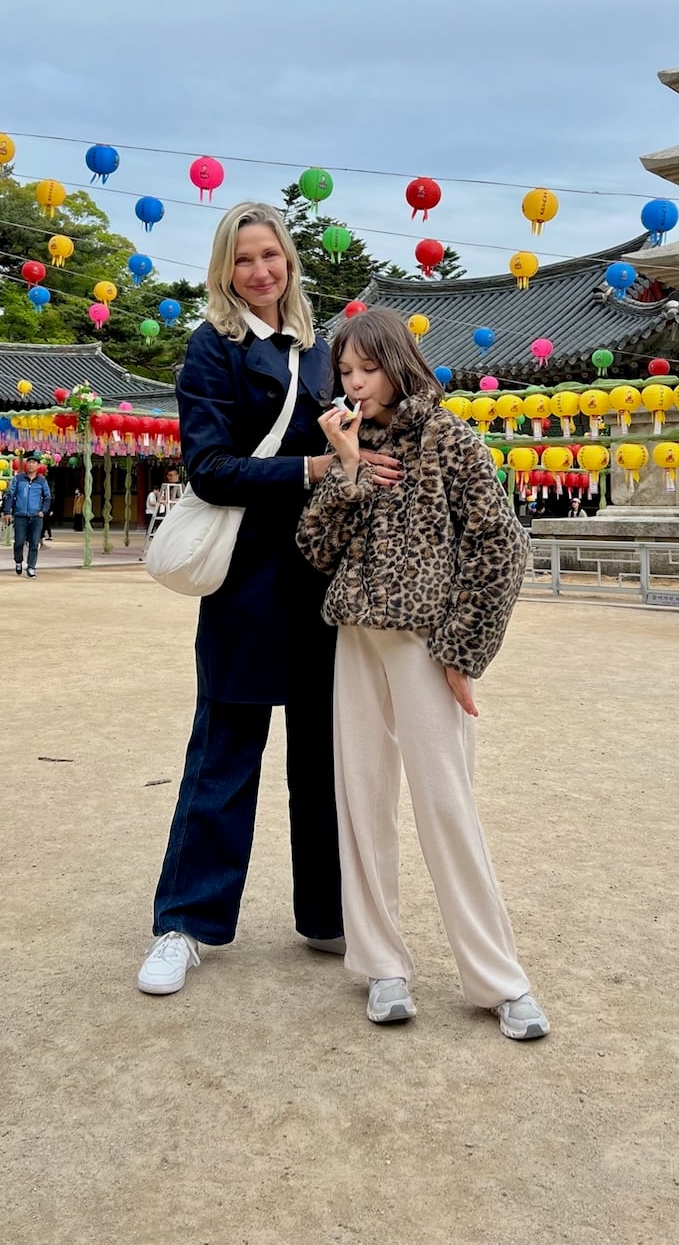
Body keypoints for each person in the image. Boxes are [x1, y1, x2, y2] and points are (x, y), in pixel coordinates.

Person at [137, 200, 400, 998]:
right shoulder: (211, 349)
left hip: (322, 579)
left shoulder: (324, 351)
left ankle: (326, 914)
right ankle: (185, 923)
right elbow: (209, 467)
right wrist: (311, 471)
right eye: (243, 259)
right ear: (225, 270)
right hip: (247, 582)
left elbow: (365, 432)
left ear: (288, 261)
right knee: (225, 755)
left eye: (271, 256)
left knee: (325, 758)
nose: (261, 272)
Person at [297, 307, 549, 1042]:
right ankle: (382, 966)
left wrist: (464, 650)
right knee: (362, 802)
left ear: (399, 364)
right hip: (354, 637)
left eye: (367, 369)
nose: (354, 384)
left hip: (424, 645)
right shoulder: (351, 441)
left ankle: (499, 979)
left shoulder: (451, 439)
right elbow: (314, 548)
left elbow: (502, 547)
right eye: (344, 372)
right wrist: (344, 468)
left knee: (447, 806)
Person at [2, 455, 51, 577]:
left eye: (34, 463)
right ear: (26, 465)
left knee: (34, 543)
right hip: (20, 515)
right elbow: (10, 494)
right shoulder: (18, 479)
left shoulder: (42, 481)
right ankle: (18, 561)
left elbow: (47, 497)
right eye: (29, 462)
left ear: (38, 466)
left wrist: (43, 511)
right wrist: (7, 511)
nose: (31, 465)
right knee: (19, 542)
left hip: (36, 516)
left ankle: (31, 567)